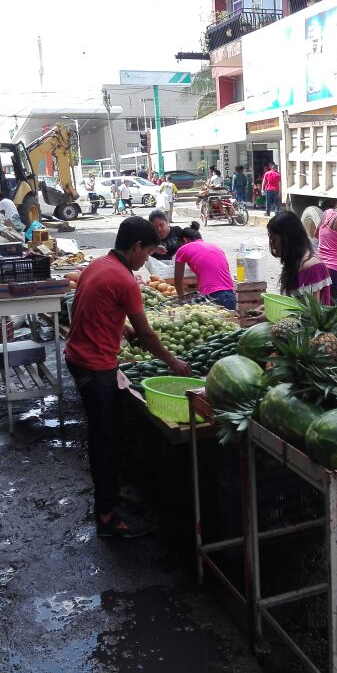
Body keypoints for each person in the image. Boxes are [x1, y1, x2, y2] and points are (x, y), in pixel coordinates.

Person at [65, 217, 191, 539]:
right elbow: (149, 336)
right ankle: (108, 518)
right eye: (148, 252)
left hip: (79, 359)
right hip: (95, 367)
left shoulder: (96, 266)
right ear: (136, 247)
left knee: (107, 434)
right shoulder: (125, 279)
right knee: (106, 441)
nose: (147, 259)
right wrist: (173, 363)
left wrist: (123, 329)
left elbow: (94, 309)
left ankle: (108, 498)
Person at [268, 211, 332, 303]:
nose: (273, 246)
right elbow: (290, 303)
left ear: (287, 238)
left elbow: (311, 314)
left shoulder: (312, 267)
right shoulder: (294, 262)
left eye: (274, 240)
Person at [173, 223, 237, 309]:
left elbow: (177, 281)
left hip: (213, 297)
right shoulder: (216, 247)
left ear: (184, 240)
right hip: (230, 295)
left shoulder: (183, 249)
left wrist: (183, 302)